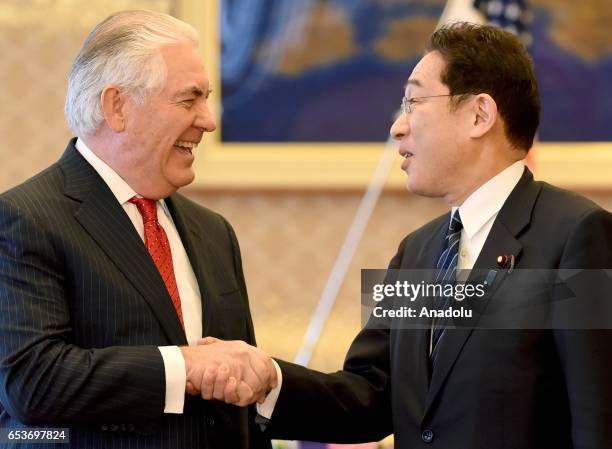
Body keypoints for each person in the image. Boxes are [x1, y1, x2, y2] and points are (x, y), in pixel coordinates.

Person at [206, 22, 612, 448]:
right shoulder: (416, 251)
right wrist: (271, 381)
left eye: (414, 101)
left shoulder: (578, 234)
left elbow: (599, 419)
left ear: (479, 115)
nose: (398, 127)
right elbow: (369, 397)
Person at [0, 10, 275, 449]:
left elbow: (237, 401)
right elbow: (33, 382)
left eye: (206, 98)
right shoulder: (24, 217)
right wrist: (184, 367)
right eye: (189, 100)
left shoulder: (214, 232)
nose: (208, 120)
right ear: (118, 107)